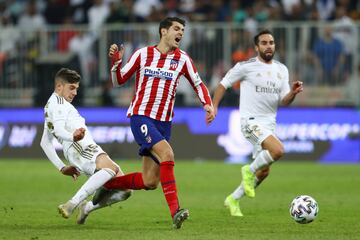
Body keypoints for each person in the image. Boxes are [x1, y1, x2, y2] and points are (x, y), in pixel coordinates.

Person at [101, 17, 215, 229]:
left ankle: (108, 184)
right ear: (164, 31)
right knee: (168, 154)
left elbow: (198, 84)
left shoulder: (182, 59)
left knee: (149, 181)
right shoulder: (143, 54)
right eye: (176, 28)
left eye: (183, 30)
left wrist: (207, 105)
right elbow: (119, 80)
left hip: (164, 123)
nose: (180, 33)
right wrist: (116, 63)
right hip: (141, 116)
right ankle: (176, 212)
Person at [212, 29, 303, 217]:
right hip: (250, 121)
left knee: (264, 173)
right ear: (256, 47)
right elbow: (223, 84)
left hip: (269, 124)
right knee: (278, 150)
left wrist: (292, 93)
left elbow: (283, 101)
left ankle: (233, 199)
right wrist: (214, 107)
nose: (268, 46)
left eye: (271, 42)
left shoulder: (281, 69)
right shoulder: (246, 66)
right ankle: (248, 169)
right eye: (264, 43)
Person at [40, 68, 131, 224]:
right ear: (59, 86)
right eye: (72, 88)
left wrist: (62, 167)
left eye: (76, 88)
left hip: (80, 147)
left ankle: (87, 207)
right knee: (110, 170)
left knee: (126, 190)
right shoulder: (60, 104)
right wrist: (73, 136)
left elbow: (45, 142)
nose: (75, 92)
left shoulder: (50, 105)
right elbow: (61, 131)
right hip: (80, 147)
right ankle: (72, 204)